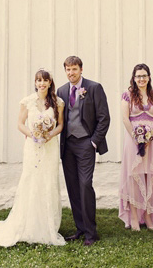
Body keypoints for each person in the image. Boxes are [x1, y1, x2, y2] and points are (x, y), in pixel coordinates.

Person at [0, 69, 66, 247]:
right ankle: (29, 223)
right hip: (32, 146)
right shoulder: (27, 101)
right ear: (35, 82)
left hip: (49, 147)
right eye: (38, 80)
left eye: (45, 80)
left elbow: (61, 124)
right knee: (31, 180)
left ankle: (48, 225)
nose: (42, 84)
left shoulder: (58, 102)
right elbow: (19, 124)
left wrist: (49, 135)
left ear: (49, 82)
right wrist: (33, 135)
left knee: (48, 181)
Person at [57, 56, 110, 246]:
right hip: (67, 145)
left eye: (74, 69)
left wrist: (94, 142)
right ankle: (80, 228)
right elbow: (57, 117)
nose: (71, 72)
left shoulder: (94, 87)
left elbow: (104, 117)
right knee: (72, 187)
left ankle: (91, 232)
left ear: (81, 69)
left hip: (86, 143)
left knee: (85, 185)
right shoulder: (61, 91)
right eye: (68, 69)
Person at [118, 64, 153, 231]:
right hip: (133, 140)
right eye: (138, 76)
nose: (141, 79)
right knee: (134, 175)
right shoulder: (128, 96)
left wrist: (150, 135)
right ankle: (133, 217)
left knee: (148, 175)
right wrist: (136, 136)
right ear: (133, 78)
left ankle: (147, 216)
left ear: (149, 77)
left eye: (144, 75)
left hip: (152, 140)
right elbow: (125, 118)